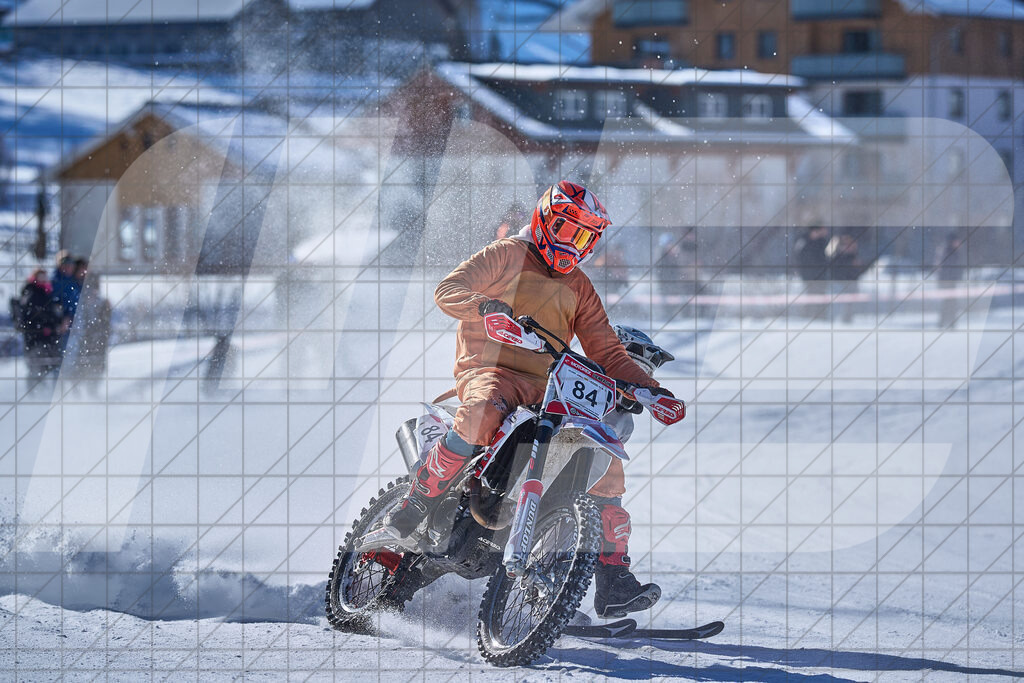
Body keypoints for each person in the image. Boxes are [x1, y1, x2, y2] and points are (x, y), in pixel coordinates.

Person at [384, 180, 682, 618]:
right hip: (489, 372)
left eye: (582, 236)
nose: (571, 242)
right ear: (545, 218)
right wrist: (486, 308)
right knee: (484, 410)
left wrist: (651, 392)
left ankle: (612, 576)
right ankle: (421, 497)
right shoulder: (506, 253)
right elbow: (448, 289)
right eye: (565, 228)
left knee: (603, 455)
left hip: (546, 390)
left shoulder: (578, 286)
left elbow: (607, 351)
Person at [17, 268, 65, 377]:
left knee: (49, 368)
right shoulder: (31, 293)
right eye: (41, 277)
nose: (44, 280)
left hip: (48, 339)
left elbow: (52, 313)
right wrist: (44, 327)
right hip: (35, 339)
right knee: (37, 370)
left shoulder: (46, 293)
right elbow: (29, 316)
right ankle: (34, 393)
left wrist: (56, 323)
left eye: (45, 277)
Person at [934, 231, 966, 328]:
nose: (959, 243)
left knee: (949, 302)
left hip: (949, 281)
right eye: (957, 241)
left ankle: (948, 322)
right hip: (948, 281)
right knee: (949, 302)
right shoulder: (949, 252)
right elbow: (948, 268)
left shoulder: (952, 251)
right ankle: (947, 322)